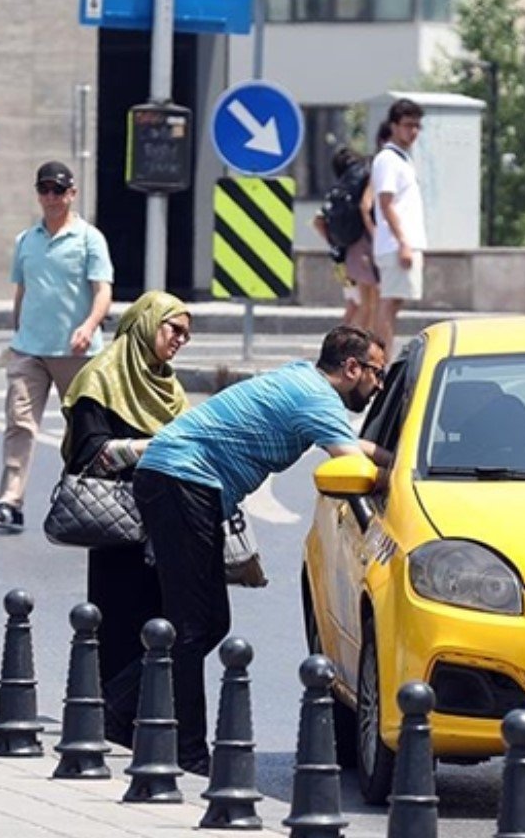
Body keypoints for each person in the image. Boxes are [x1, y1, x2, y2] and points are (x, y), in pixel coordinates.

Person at [130, 325, 394, 774]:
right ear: (352, 368)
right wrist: (402, 479)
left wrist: (400, 458)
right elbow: (352, 463)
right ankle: (186, 750)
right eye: (377, 373)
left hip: (181, 482)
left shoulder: (307, 385)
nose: (380, 386)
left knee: (208, 621)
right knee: (193, 625)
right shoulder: (315, 398)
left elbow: (360, 447)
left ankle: (117, 711)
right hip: (182, 480)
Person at [57, 292, 192, 744]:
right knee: (116, 622)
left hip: (164, 523)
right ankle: (109, 718)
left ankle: (143, 718)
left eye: (186, 335)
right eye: (174, 329)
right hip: (116, 524)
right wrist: (145, 449)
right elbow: (86, 454)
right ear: (146, 323)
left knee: (163, 622)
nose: (179, 341)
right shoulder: (100, 378)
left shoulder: (168, 386)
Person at [0, 162, 115, 532]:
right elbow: (22, 290)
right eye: (45, 190)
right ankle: (10, 502)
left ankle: (88, 499)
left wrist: (88, 325)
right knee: (19, 423)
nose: (51, 197)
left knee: (84, 429)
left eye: (58, 190)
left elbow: (103, 291)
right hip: (30, 351)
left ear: (71, 194)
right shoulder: (26, 240)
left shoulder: (89, 239)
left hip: (77, 354)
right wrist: (17, 330)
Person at [372, 99, 427, 355]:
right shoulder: (388, 159)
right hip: (397, 243)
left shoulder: (403, 158)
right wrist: (403, 242)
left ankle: (383, 357)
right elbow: (386, 203)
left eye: (417, 126)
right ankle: (381, 361)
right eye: (407, 125)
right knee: (389, 302)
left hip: (403, 242)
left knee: (395, 302)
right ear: (394, 126)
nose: (413, 131)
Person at [313, 147, 375, 329]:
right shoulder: (356, 189)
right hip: (357, 255)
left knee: (353, 303)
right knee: (364, 305)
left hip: (339, 257)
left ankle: (343, 338)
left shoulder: (337, 191)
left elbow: (318, 221)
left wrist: (333, 241)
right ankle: (348, 343)